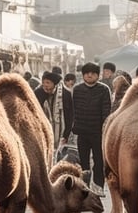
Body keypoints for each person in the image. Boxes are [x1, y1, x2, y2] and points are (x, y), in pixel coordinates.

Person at [71, 62, 111, 196]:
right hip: (82, 132)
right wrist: (73, 130)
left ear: (98, 75)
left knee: (99, 161)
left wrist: (105, 130)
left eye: (93, 73)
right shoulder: (77, 90)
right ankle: (84, 186)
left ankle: (99, 186)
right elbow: (73, 111)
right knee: (83, 161)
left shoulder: (104, 89)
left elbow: (106, 112)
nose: (89, 75)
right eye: (87, 73)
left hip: (98, 133)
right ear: (83, 75)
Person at [34, 70, 73, 150]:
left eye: (48, 83)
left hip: (61, 134)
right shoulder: (38, 93)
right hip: (43, 132)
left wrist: (66, 135)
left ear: (54, 84)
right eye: (43, 82)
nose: (45, 85)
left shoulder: (65, 95)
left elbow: (70, 116)